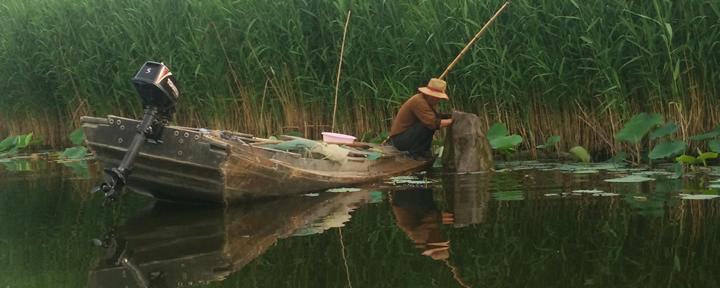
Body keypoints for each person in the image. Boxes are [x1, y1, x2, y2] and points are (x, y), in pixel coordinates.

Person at [389, 78, 453, 159]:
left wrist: (448, 117)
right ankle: (415, 153)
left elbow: (434, 116)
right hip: (400, 140)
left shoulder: (425, 101)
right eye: (436, 98)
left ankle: (422, 152)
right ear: (430, 95)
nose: (438, 100)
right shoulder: (419, 101)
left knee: (428, 124)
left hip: (405, 137)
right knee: (427, 125)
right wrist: (452, 121)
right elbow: (433, 123)